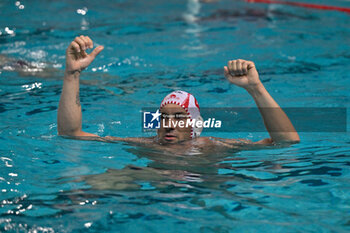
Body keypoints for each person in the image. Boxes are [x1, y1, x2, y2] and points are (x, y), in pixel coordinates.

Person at [57, 35, 299, 148]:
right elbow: (70, 133)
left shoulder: (213, 147)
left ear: (195, 123)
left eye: (179, 117)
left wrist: (256, 88)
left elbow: (286, 142)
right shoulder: (147, 144)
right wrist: (72, 74)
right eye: (164, 117)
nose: (169, 124)